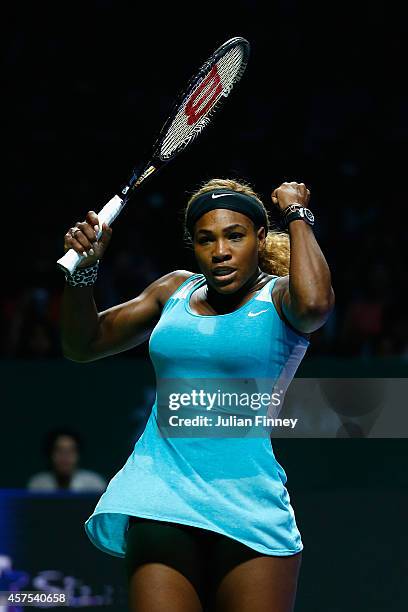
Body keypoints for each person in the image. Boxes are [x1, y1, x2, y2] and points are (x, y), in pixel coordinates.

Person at [61, 179, 334, 612]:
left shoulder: (281, 297)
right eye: (206, 239)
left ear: (259, 238)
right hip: (159, 497)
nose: (220, 250)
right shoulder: (174, 291)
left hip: (250, 507)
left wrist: (297, 214)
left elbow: (317, 305)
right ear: (194, 245)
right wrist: (85, 271)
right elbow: (83, 344)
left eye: (235, 236)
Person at [27, 427, 107, 492]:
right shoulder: (38, 484)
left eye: (71, 451)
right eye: (59, 450)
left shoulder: (94, 483)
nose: (65, 456)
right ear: (50, 454)